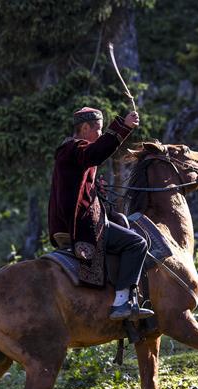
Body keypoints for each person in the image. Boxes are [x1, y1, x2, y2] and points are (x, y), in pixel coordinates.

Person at [48, 107, 154, 321]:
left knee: (120, 221)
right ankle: (122, 302)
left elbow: (78, 188)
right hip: (81, 224)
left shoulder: (70, 151)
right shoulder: (75, 148)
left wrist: (96, 189)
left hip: (72, 221)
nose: (100, 134)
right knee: (137, 243)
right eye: (98, 129)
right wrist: (124, 127)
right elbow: (96, 153)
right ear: (85, 128)